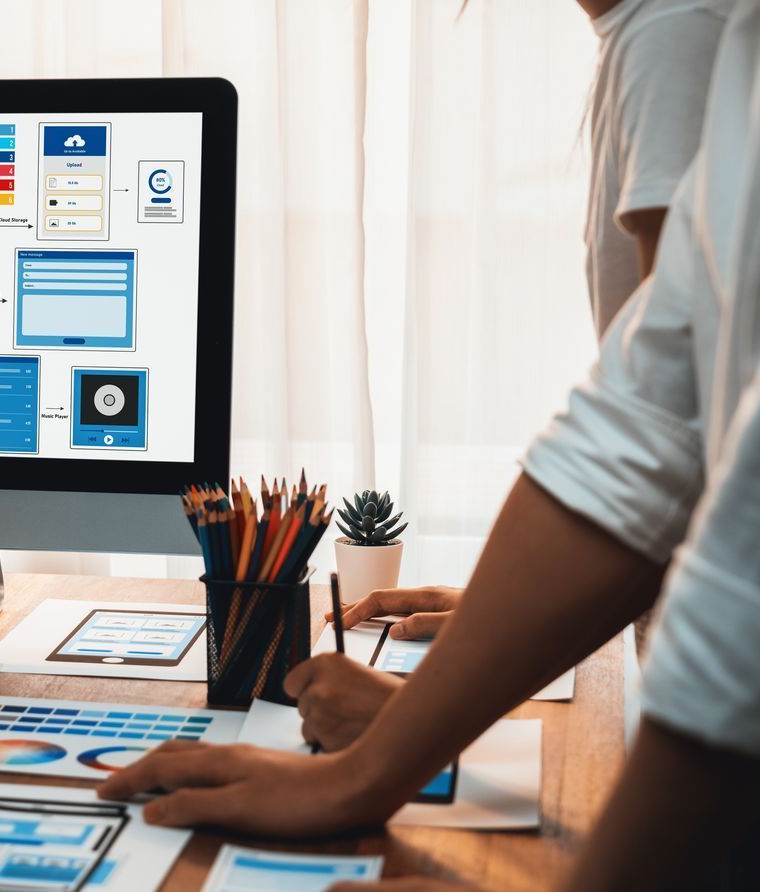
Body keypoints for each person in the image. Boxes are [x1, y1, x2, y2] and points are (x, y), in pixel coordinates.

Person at [97, 1, 760, 886]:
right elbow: (655, 418)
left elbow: (691, 465)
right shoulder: (666, 24)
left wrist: (367, 772)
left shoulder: (686, 24)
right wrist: (481, 653)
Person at [293, 0, 729, 753]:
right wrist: (505, 616)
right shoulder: (649, 30)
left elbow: (668, 437)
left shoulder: (677, 31)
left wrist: (397, 740)